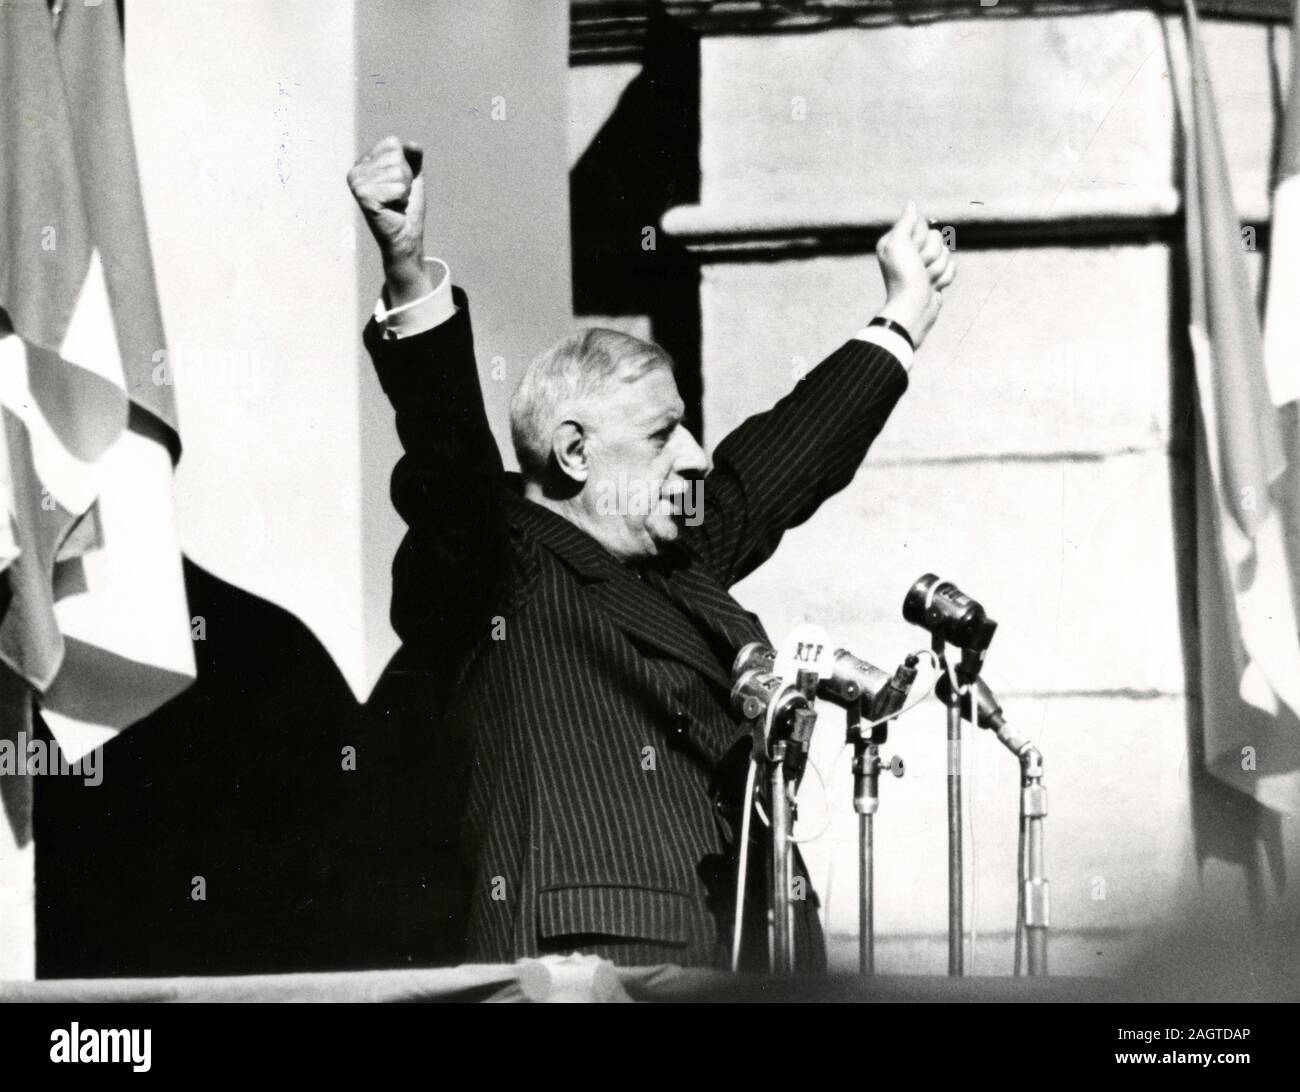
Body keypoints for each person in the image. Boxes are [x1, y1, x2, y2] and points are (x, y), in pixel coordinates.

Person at [349, 134, 955, 969]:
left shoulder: (680, 560)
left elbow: (776, 461)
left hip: (735, 965)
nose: (696, 456)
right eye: (664, 433)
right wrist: (410, 269)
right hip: (594, 972)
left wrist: (902, 318)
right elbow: (449, 452)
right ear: (573, 454)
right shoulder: (505, 561)